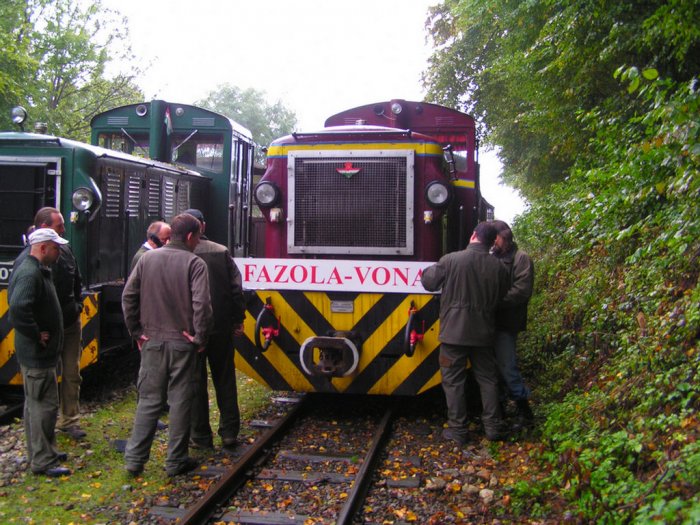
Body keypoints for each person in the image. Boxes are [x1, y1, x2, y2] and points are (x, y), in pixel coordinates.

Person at [121, 213, 213, 477]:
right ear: (189, 236)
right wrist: (200, 337)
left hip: (152, 341)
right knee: (181, 400)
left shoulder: (147, 259)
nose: (198, 242)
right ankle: (175, 461)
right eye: (197, 237)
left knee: (149, 401)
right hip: (183, 343)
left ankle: (134, 460)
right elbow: (202, 305)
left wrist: (137, 332)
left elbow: (128, 296)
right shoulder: (195, 263)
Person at [421, 222, 510, 444]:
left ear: (473, 236)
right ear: (492, 242)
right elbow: (502, 296)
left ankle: (458, 430)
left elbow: (429, 283)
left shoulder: (451, 260)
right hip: (484, 333)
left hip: (453, 335)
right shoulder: (499, 267)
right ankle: (493, 427)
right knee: (488, 379)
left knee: (453, 381)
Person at [14, 207, 86, 440]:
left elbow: (76, 279)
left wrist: (77, 305)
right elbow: (20, 304)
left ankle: (70, 420)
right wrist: (36, 331)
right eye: (59, 226)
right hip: (45, 331)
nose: (64, 230)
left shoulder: (64, 250)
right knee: (43, 378)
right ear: (45, 228)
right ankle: (44, 428)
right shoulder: (29, 260)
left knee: (72, 372)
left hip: (69, 321)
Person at [8, 228, 72, 477]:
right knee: (43, 406)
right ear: (43, 248)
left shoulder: (38, 269)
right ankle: (43, 460)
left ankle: (43, 452)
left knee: (36, 404)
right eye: (56, 248)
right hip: (37, 354)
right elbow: (18, 308)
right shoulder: (30, 273)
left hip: (40, 354)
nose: (59, 253)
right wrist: (36, 334)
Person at [184, 209, 246, 450]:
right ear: (203, 226)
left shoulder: (179, 254)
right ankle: (229, 432)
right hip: (220, 326)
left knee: (195, 382)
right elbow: (236, 289)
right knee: (225, 379)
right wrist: (237, 319)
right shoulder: (221, 251)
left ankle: (200, 436)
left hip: (189, 331)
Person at [491, 220, 535, 430]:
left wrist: (495, 302)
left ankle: (524, 412)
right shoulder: (493, 257)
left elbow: (522, 290)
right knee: (494, 369)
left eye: (496, 238)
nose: (493, 242)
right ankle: (500, 410)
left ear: (505, 238)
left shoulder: (521, 258)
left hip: (506, 323)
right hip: (490, 322)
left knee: (507, 367)